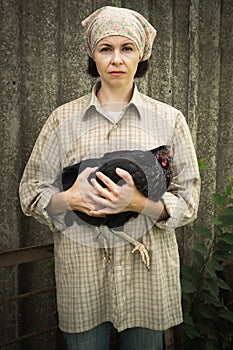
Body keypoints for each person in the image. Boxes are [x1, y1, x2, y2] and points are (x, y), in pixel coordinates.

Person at [19, 6, 201, 350]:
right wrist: (68, 199)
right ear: (94, 55)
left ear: (140, 55)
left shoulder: (169, 120)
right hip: (82, 270)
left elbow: (188, 201)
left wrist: (139, 203)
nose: (116, 59)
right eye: (106, 48)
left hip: (147, 276)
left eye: (126, 48)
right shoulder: (62, 120)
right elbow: (31, 190)